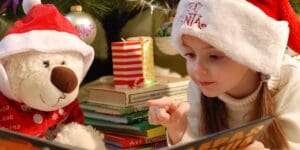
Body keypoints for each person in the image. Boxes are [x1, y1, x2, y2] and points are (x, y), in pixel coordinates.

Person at [147, 0, 300, 149]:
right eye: (190, 54)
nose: (198, 70)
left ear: (252, 52)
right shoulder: (200, 86)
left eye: (214, 56)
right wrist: (178, 130)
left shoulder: (290, 80)